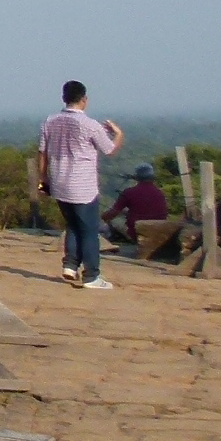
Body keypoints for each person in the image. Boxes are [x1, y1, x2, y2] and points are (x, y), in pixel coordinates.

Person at [38, 80, 122, 288]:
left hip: (59, 182)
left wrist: (43, 178)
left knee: (73, 225)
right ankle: (92, 275)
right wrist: (118, 134)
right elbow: (110, 150)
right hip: (82, 186)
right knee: (89, 230)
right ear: (84, 99)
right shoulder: (89, 125)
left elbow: (42, 151)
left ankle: (70, 265)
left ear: (64, 98)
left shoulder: (50, 121)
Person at [103, 163, 170, 247]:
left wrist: (104, 216)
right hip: (157, 231)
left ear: (137, 177)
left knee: (114, 221)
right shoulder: (160, 193)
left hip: (136, 232)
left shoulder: (129, 192)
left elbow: (112, 213)